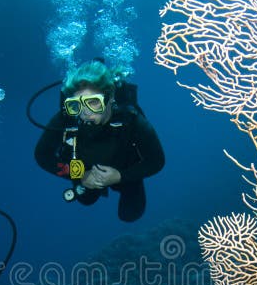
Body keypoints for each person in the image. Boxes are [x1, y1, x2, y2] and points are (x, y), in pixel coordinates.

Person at [34, 60, 165, 222]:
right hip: (84, 173)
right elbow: (42, 156)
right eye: (76, 105)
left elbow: (157, 160)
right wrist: (79, 175)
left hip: (125, 170)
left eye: (93, 102)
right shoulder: (66, 117)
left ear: (110, 97)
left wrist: (120, 176)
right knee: (86, 200)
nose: (85, 113)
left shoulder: (130, 119)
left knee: (130, 214)